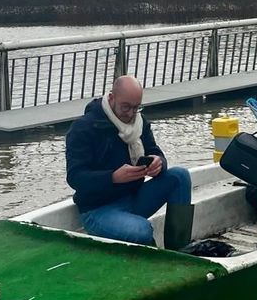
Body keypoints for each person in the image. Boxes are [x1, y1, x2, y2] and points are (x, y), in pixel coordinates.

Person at [65, 75, 193, 248]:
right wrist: (113, 177)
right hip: (98, 209)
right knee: (142, 230)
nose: (131, 113)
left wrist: (158, 163)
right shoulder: (83, 128)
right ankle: (159, 260)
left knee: (180, 176)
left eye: (136, 107)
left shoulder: (139, 122)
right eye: (126, 107)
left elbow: (154, 151)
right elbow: (75, 177)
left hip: (134, 197)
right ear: (111, 98)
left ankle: (179, 248)